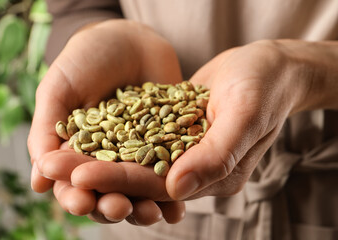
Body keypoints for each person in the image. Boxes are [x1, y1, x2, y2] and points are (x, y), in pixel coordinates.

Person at [28, 0, 338, 239]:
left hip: (324, 195)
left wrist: (307, 72)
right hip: (150, 215)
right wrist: (91, 31)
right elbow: (78, 6)